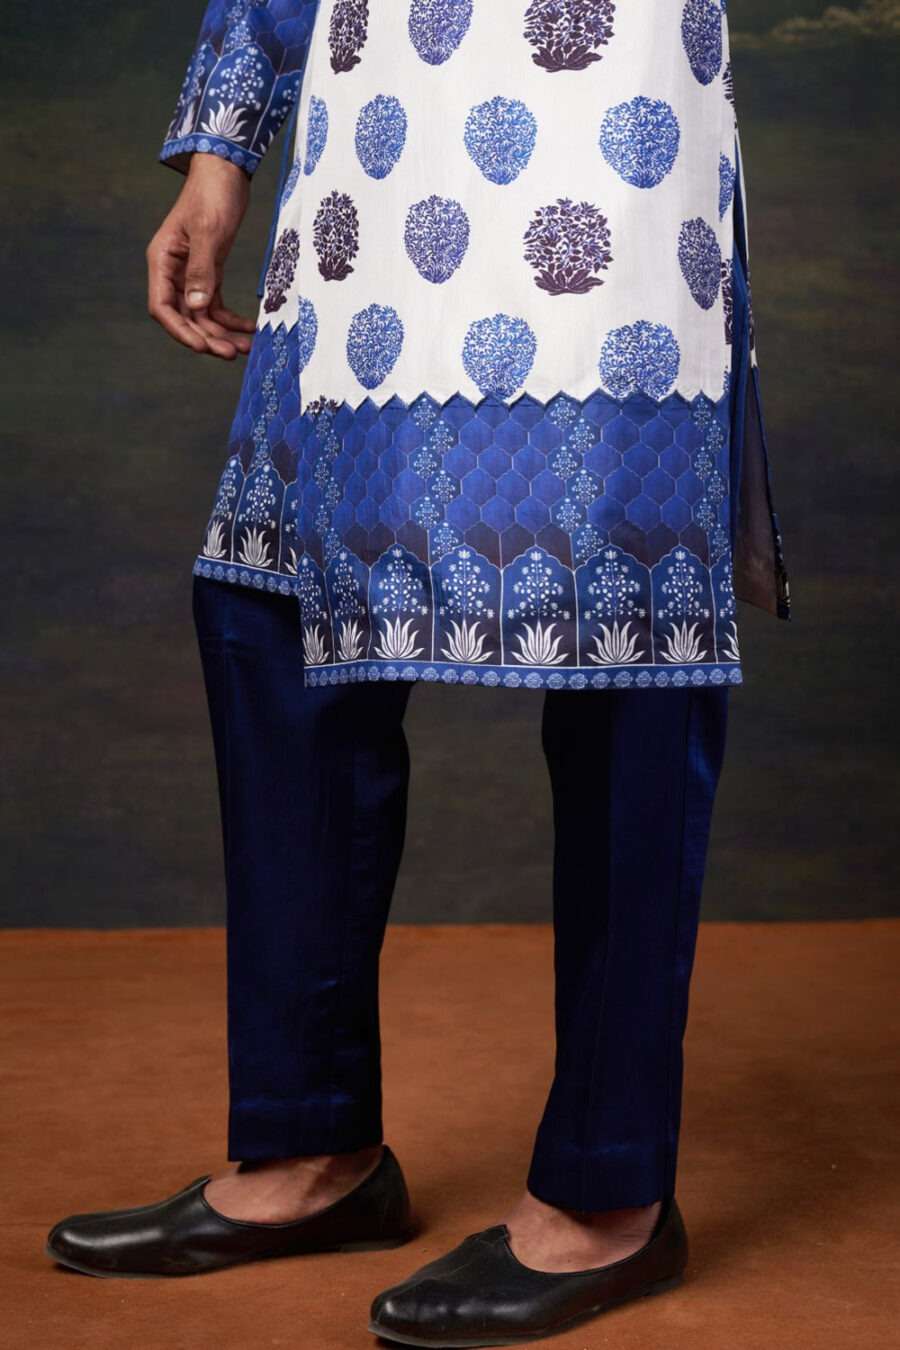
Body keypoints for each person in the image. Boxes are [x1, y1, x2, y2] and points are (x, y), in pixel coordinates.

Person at [46, 3, 790, 1344]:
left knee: (622, 634)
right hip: (372, 129)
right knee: (271, 606)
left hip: (605, 113)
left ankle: (609, 1188)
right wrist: (224, 142)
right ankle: (308, 1141)